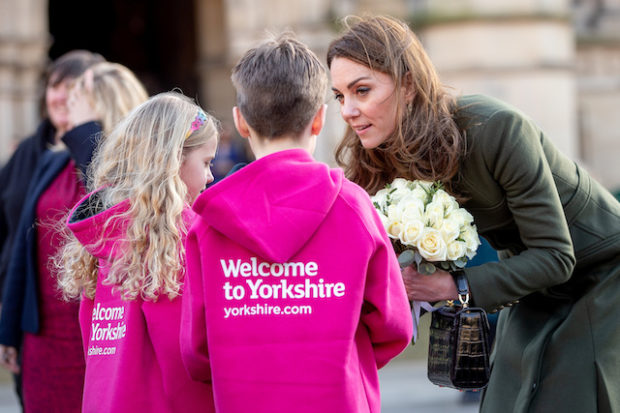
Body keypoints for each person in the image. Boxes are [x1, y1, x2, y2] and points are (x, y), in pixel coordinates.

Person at [327, 14, 620, 413]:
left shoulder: (496, 127)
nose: (347, 110)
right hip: (531, 278)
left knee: (567, 396)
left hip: (603, 271)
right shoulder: (377, 151)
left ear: (408, 84)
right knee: (503, 399)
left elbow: (557, 255)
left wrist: (453, 286)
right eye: (339, 96)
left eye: (362, 90)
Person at [179, 33, 413, 413]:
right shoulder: (353, 208)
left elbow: (196, 351)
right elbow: (394, 327)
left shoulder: (207, 226)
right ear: (320, 119)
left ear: (240, 122)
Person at [57, 92, 218, 413]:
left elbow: (93, 340)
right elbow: (187, 355)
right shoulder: (179, 237)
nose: (210, 176)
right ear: (173, 160)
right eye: (206, 162)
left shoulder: (105, 231)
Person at [0, 61, 148, 412]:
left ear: (105, 102)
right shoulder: (52, 162)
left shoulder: (130, 166)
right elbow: (25, 244)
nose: (67, 101)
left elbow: (104, 198)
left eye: (78, 95)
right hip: (45, 339)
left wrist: (85, 131)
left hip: (104, 332)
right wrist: (9, 330)